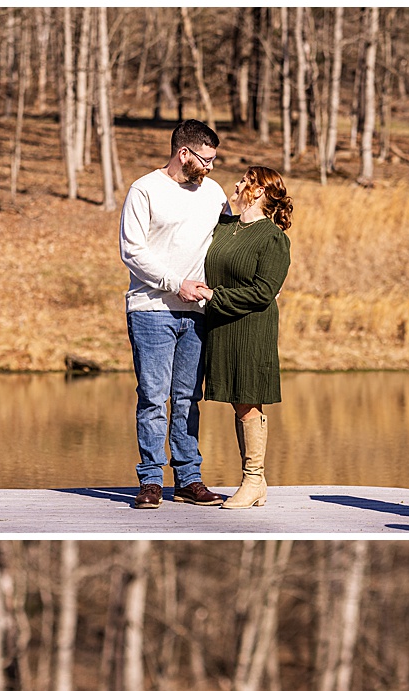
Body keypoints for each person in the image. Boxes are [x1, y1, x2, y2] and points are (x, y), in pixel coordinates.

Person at [118, 120, 228, 510]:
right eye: (207, 159)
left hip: (196, 313)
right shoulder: (145, 190)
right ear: (185, 153)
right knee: (152, 398)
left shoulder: (213, 193)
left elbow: (235, 236)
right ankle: (151, 481)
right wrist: (174, 282)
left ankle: (188, 478)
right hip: (151, 310)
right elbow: (132, 250)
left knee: (186, 399)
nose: (211, 167)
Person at [201, 166, 295, 511]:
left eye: (244, 181)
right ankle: (257, 482)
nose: (236, 184)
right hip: (221, 324)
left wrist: (214, 297)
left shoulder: (273, 238)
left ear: (257, 192)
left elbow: (263, 293)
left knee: (248, 400)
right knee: (236, 399)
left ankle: (253, 478)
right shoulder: (225, 227)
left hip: (251, 326)